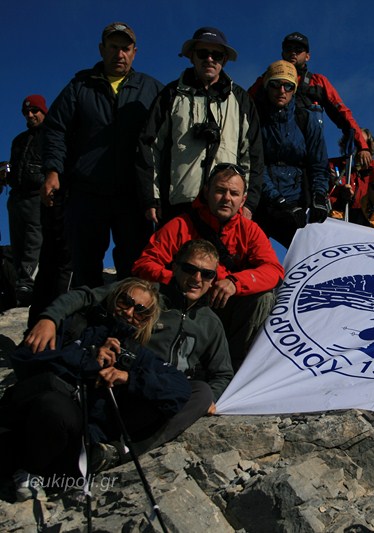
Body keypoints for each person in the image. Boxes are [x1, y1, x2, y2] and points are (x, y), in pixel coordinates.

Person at [2, 278, 210, 496]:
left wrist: (128, 378)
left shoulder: (136, 355)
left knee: (58, 411)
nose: (128, 312)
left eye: (140, 311)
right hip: (29, 418)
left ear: (145, 321)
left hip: (75, 439)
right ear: (113, 298)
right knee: (51, 404)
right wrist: (87, 359)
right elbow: (25, 359)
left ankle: (38, 473)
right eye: (125, 301)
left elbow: (179, 389)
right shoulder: (74, 325)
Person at [26, 239, 234, 404]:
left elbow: (222, 373)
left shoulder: (211, 323)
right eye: (190, 269)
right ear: (175, 266)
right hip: (124, 379)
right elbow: (86, 297)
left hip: (167, 389)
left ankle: (117, 449)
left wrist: (212, 398)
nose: (197, 278)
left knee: (201, 392)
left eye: (207, 274)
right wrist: (49, 319)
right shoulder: (147, 294)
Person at [41, 22, 163, 289]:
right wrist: (53, 170)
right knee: (84, 266)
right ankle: (86, 326)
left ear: (135, 52)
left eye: (126, 48)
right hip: (87, 193)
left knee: (136, 267)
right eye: (113, 47)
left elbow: (167, 139)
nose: (120, 54)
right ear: (101, 49)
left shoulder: (152, 89)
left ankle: (129, 327)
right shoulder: (79, 87)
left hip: (134, 196)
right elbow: (55, 129)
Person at [133, 164, 285, 367]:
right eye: (220, 191)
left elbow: (274, 270)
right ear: (207, 192)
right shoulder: (180, 225)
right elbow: (143, 265)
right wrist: (184, 280)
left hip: (224, 304)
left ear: (243, 199)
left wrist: (234, 282)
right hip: (183, 305)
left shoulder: (250, 230)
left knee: (264, 298)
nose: (227, 198)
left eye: (234, 193)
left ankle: (234, 368)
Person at [138, 27, 264, 225]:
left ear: (224, 59)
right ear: (191, 57)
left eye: (217, 54)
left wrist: (248, 203)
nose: (210, 59)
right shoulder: (170, 95)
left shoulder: (241, 100)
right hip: (178, 206)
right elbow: (150, 148)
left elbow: (253, 155)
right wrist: (151, 198)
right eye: (203, 53)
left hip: (226, 207)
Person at [248, 31, 372, 169]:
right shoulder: (265, 81)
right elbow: (244, 108)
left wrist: (363, 146)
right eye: (289, 49)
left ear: (307, 56)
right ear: (282, 53)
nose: (293, 53)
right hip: (269, 157)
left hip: (307, 158)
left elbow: (343, 114)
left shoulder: (318, 82)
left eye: (299, 50)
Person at [252, 60, 328, 248]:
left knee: (306, 257)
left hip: (298, 199)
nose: (282, 90)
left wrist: (319, 196)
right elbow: (254, 164)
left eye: (288, 85)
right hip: (262, 201)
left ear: (294, 89)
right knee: (255, 257)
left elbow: (318, 164)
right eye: (275, 84)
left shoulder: (305, 119)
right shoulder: (254, 119)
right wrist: (279, 200)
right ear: (266, 86)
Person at [6, 96, 47, 305]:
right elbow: (15, 165)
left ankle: (29, 283)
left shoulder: (52, 135)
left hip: (36, 196)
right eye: (26, 112)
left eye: (34, 111)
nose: (30, 115)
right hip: (16, 197)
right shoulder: (19, 140)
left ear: (43, 111)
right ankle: (20, 283)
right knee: (18, 243)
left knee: (34, 241)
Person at [329, 128, 374, 219]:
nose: (358, 149)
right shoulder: (332, 166)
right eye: (355, 143)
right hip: (335, 218)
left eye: (363, 143)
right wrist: (340, 194)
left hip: (366, 222)